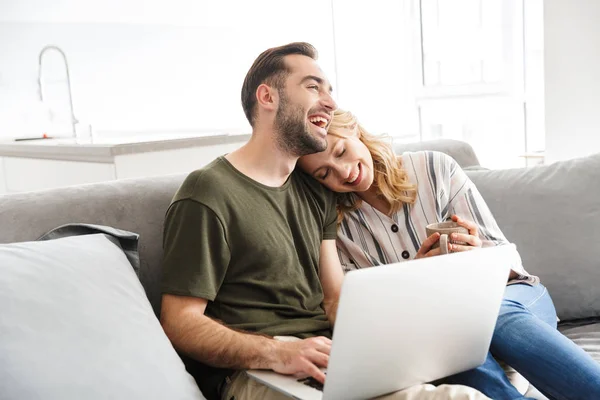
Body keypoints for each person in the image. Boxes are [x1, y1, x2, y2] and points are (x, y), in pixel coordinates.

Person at [159, 43, 489, 400]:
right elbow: (179, 322)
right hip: (258, 374)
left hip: (332, 360)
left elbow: (334, 301)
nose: (330, 103)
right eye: (314, 87)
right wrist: (276, 353)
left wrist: (389, 334)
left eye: (330, 90)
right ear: (268, 96)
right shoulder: (207, 192)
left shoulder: (315, 190)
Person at [297, 109, 600, 400]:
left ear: (353, 130)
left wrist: (477, 252)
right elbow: (364, 315)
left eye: (340, 152)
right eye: (325, 173)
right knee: (445, 342)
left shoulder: (434, 168)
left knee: (490, 316)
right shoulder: (333, 224)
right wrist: (415, 274)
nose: (344, 172)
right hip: (436, 327)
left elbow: (506, 260)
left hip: (509, 295)